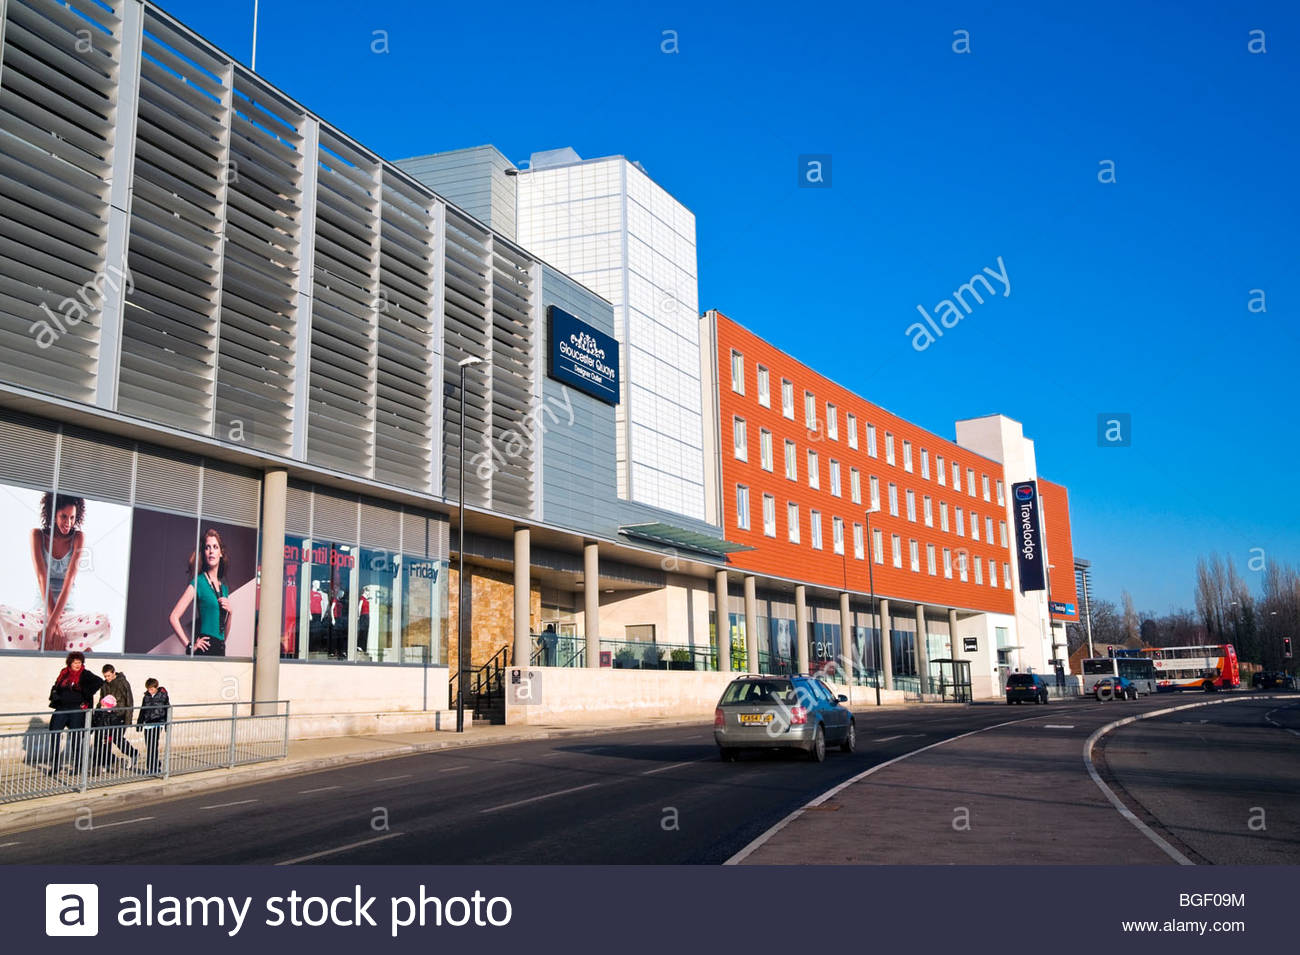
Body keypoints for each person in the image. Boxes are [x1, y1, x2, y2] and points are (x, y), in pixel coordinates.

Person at [0, 493, 111, 652]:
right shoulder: (37, 535)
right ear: (53, 514)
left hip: (68, 616)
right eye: (64, 517)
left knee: (104, 622)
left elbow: (69, 581)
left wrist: (53, 626)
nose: (68, 523)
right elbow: (41, 578)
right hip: (40, 614)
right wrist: (51, 625)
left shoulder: (78, 537)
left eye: (72, 518)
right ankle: (61, 644)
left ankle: (46, 641)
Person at [168, 528, 232, 656]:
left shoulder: (224, 588)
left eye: (215, 547)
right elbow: (173, 617)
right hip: (205, 649)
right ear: (204, 553)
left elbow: (223, 636)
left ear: (221, 553)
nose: (211, 551)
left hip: (220, 649)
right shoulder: (199, 582)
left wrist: (230, 613)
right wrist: (190, 646)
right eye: (207, 547)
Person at [47, 651, 103, 776]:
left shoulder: (85, 674)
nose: (77, 665)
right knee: (54, 733)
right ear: (70, 663)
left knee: (76, 737)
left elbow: (99, 681)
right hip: (62, 708)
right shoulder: (64, 673)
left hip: (77, 709)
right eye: (75, 662)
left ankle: (77, 766)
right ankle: (55, 765)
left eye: (80, 662)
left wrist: (84, 690)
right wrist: (55, 694)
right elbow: (56, 686)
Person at [99, 665, 138, 767]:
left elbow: (129, 701)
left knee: (117, 738)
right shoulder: (104, 685)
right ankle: (107, 762)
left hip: (119, 715)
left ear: (113, 673)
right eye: (105, 676)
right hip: (107, 716)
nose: (107, 678)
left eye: (108, 676)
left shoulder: (123, 683)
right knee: (106, 739)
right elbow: (102, 699)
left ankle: (133, 753)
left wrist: (128, 720)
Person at [136, 678, 170, 775]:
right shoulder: (146, 697)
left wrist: (167, 724)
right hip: (148, 723)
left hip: (158, 722)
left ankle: (153, 767)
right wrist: (140, 723)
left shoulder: (163, 696)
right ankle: (154, 765)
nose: (149, 691)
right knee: (149, 745)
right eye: (148, 689)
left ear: (156, 688)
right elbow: (142, 710)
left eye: (151, 689)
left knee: (153, 745)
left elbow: (167, 709)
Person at [90, 694, 125, 774]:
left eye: (104, 705)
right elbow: (95, 721)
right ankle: (96, 767)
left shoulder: (112, 715)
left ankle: (114, 760)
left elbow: (114, 726)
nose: (102, 707)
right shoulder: (99, 712)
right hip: (98, 733)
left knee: (104, 751)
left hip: (106, 735)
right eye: (101, 705)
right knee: (96, 750)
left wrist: (110, 736)